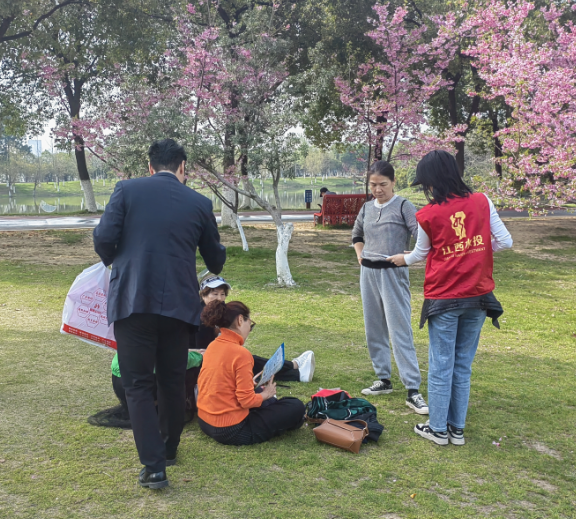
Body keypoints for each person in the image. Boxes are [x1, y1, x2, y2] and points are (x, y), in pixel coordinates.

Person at [93, 139, 226, 489]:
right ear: (183, 167)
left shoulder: (125, 190)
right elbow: (215, 260)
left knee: (137, 384)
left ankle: (154, 467)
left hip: (132, 301)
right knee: (171, 377)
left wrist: (120, 261)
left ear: (150, 166)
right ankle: (169, 448)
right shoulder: (199, 202)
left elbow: (103, 239)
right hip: (179, 305)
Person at [386, 150, 512, 446]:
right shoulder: (482, 201)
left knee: (441, 363)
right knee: (462, 364)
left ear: (432, 181)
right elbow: (505, 241)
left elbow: (420, 254)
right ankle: (456, 429)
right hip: (479, 297)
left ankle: (438, 429)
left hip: (443, 298)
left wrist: (399, 259)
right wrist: (474, 249)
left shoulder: (427, 215)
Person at [351, 160, 428, 415]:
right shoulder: (366, 208)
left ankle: (412, 390)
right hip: (368, 273)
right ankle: (383, 379)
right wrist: (361, 255)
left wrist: (410, 256)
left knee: (399, 329)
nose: (377, 189)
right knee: (374, 327)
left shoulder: (404, 205)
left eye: (383, 184)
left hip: (393, 273)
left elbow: (422, 235)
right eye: (373, 184)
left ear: (393, 182)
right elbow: (357, 234)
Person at [197, 300, 306, 446]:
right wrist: (266, 393)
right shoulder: (241, 353)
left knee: (267, 399)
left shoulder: (212, 346)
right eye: (250, 324)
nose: (249, 329)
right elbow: (246, 401)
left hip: (204, 421)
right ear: (240, 320)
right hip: (231, 430)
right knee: (295, 406)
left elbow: (220, 384)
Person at [195, 275, 315, 382]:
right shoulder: (202, 318)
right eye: (215, 294)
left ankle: (295, 369)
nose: (220, 298)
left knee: (249, 360)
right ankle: (295, 369)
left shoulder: (219, 311)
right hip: (205, 361)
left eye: (222, 294)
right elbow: (204, 349)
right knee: (247, 362)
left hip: (218, 355)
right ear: (203, 294)